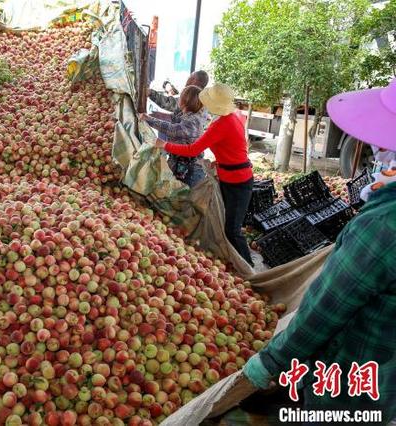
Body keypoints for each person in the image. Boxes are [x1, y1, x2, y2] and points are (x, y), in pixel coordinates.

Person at [243, 78, 396, 422]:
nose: (379, 152)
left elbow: (329, 307)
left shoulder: (385, 223)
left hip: (353, 384)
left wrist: (271, 361)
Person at [153, 83, 254, 266]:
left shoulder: (222, 124)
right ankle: (233, 261)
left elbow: (193, 150)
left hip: (238, 181)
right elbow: (237, 144)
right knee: (224, 222)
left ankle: (248, 267)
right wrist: (222, 160)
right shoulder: (236, 115)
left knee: (233, 229)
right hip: (230, 174)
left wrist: (164, 145)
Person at [139, 85, 206, 187]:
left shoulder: (193, 120)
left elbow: (173, 130)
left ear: (184, 101)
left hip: (190, 171)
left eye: (180, 97)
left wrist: (149, 120)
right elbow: (171, 117)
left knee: (183, 198)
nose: (177, 99)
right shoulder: (186, 114)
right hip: (181, 165)